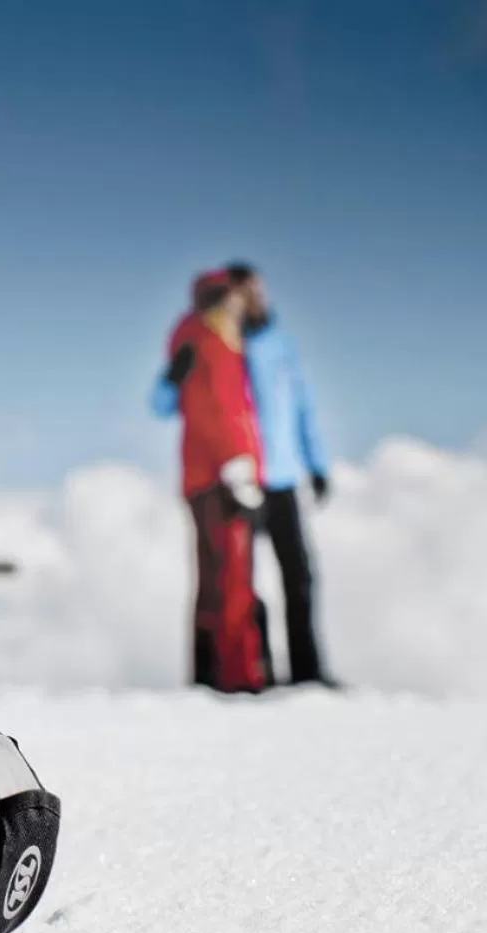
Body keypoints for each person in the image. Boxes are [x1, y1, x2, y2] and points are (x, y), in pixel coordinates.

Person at [225, 262, 334, 686]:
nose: (252, 299)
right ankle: (258, 670)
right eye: (242, 292)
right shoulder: (226, 346)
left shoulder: (282, 346)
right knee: (245, 582)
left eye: (255, 291)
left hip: (284, 477)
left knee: (300, 576)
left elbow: (303, 409)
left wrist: (317, 465)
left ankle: (308, 672)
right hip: (243, 481)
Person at [160, 270, 268, 694]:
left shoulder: (188, 337)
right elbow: (225, 414)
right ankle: (238, 675)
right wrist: (241, 471)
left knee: (210, 579)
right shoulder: (214, 344)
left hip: (200, 476)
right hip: (224, 477)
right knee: (234, 579)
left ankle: (207, 674)